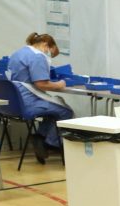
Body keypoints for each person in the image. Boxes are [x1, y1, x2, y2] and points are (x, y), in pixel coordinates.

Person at [6, 32, 73, 163]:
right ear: (46, 45)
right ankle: (51, 143)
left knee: (52, 111)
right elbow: (42, 84)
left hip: (15, 101)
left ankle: (40, 138)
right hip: (28, 101)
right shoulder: (37, 57)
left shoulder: (19, 53)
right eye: (51, 52)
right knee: (66, 111)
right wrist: (60, 84)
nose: (49, 55)